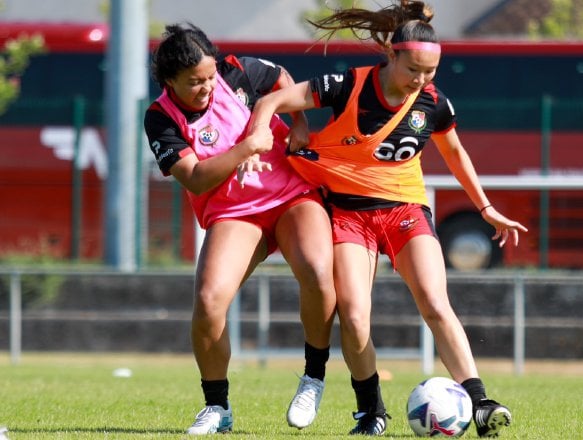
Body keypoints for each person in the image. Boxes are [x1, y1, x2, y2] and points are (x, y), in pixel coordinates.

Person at [247, 1, 528, 436]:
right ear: (391, 55)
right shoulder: (346, 85)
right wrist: (262, 133)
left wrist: (486, 208)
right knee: (355, 317)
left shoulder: (433, 103)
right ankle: (371, 410)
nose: (421, 80)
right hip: (349, 216)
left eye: (430, 72)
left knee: (435, 303)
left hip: (404, 211)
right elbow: (272, 100)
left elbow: (455, 154)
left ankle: (480, 402)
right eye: (413, 69)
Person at [144, 23, 336, 435]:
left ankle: (313, 379)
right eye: (194, 82)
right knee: (209, 301)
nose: (207, 87)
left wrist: (298, 123)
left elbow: (282, 78)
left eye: (210, 77)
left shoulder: (236, 71)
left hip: (292, 196)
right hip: (235, 213)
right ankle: (218, 407)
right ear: (169, 81)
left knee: (319, 273)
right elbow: (195, 178)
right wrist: (245, 148)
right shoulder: (160, 117)